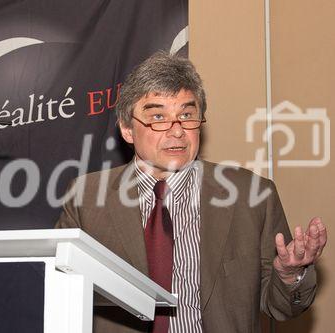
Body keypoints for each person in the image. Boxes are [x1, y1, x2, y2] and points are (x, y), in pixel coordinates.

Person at [55, 50, 327, 333]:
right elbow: (61, 292)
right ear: (127, 129)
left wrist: (290, 274)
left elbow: (280, 307)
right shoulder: (86, 198)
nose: (177, 131)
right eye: (158, 117)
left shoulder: (252, 195)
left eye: (187, 115)